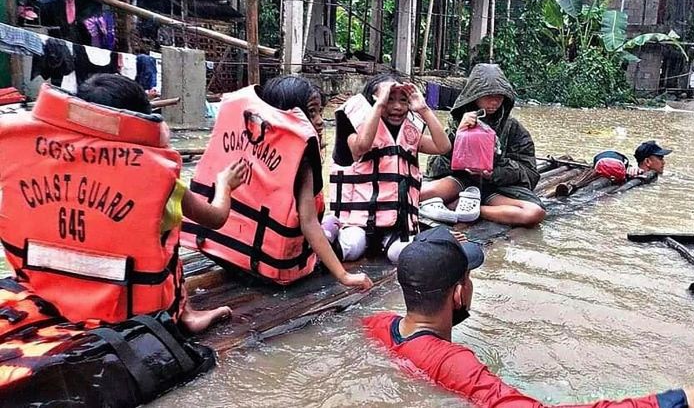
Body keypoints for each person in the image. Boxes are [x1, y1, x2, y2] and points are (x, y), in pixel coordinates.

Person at [364, 226, 694, 408]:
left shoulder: (378, 325)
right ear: (458, 292)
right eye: (470, 279)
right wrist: (678, 399)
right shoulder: (456, 361)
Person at [0, 74, 240, 334]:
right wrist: (225, 183)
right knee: (168, 232)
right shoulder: (158, 176)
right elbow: (215, 217)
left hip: (43, 292)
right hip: (128, 310)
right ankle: (186, 316)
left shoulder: (28, 156)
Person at [181, 75, 373, 290]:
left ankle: (333, 224)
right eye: (311, 112)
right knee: (341, 233)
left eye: (320, 112)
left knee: (328, 223)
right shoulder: (301, 159)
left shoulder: (243, 135)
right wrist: (345, 276)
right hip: (274, 268)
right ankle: (334, 225)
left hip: (224, 252)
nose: (320, 120)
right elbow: (308, 223)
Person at [329, 74, 451, 263]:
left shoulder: (410, 134)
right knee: (352, 247)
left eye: (403, 100)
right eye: (389, 99)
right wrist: (378, 106)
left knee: (403, 255)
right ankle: (327, 234)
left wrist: (424, 109)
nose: (397, 107)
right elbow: (361, 148)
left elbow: (443, 147)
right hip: (359, 223)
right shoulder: (354, 130)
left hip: (397, 226)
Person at [421, 64, 545, 227]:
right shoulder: (459, 122)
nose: (494, 102)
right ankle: (459, 203)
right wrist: (458, 135)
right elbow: (435, 166)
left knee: (534, 213)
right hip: (459, 182)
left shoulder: (514, 128)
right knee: (415, 195)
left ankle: (469, 209)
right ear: (474, 96)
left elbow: (529, 173)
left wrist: (493, 171)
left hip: (494, 190)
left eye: (499, 97)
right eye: (488, 96)